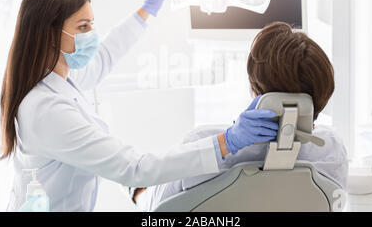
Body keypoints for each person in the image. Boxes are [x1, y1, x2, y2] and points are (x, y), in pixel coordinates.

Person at [1, 0, 280, 212]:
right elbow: (135, 169)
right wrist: (227, 141)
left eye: (92, 25)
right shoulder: (46, 109)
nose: (91, 35)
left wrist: (149, 8)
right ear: (50, 34)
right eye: (83, 27)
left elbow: (106, 54)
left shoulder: (61, 78)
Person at [132, 22, 349, 212]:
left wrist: (138, 190)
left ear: (255, 88)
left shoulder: (203, 144)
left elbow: (156, 209)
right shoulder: (331, 150)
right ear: (321, 93)